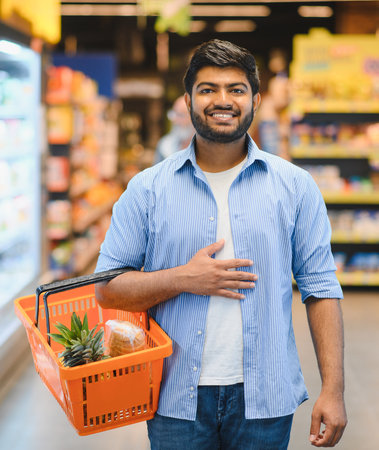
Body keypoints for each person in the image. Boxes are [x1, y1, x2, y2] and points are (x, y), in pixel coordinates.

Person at [95, 39, 347, 449]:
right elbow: (107, 289)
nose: (222, 100)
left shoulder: (295, 187)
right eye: (208, 89)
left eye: (236, 89)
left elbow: (320, 289)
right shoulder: (147, 189)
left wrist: (333, 390)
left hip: (265, 397)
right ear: (188, 100)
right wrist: (182, 278)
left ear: (256, 100)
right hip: (174, 395)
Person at [154, 95, 194, 164]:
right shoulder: (165, 145)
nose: (175, 120)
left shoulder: (209, 149)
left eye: (181, 115)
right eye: (174, 114)